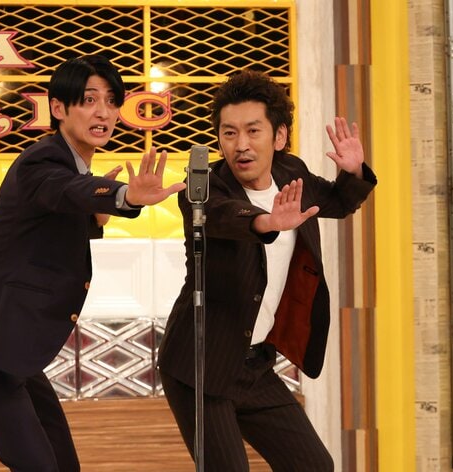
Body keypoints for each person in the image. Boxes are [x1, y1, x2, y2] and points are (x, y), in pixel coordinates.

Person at [0, 54, 185, 472]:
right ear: (58, 108)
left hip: (10, 345)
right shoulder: (43, 161)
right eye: (89, 100)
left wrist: (94, 217)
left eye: (111, 101)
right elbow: (64, 190)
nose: (103, 112)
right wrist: (124, 196)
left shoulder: (72, 166)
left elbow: (57, 212)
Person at [157, 69, 377, 471]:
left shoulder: (290, 174)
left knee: (314, 467)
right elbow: (223, 216)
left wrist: (354, 171)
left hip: (255, 365)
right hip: (200, 366)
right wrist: (266, 222)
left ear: (279, 136)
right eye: (229, 133)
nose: (240, 145)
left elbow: (339, 203)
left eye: (253, 131)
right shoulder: (203, 188)